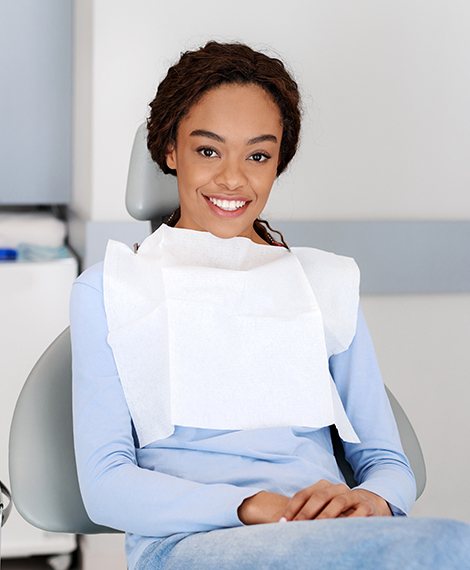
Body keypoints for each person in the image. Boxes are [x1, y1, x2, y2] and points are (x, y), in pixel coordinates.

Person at [70, 41, 470, 569]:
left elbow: (386, 461)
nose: (233, 179)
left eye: (258, 155)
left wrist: (371, 499)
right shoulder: (111, 288)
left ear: (278, 161)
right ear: (170, 150)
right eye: (208, 150)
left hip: (319, 536)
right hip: (191, 542)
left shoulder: (321, 282)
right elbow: (106, 485)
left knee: (452, 543)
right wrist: (252, 507)